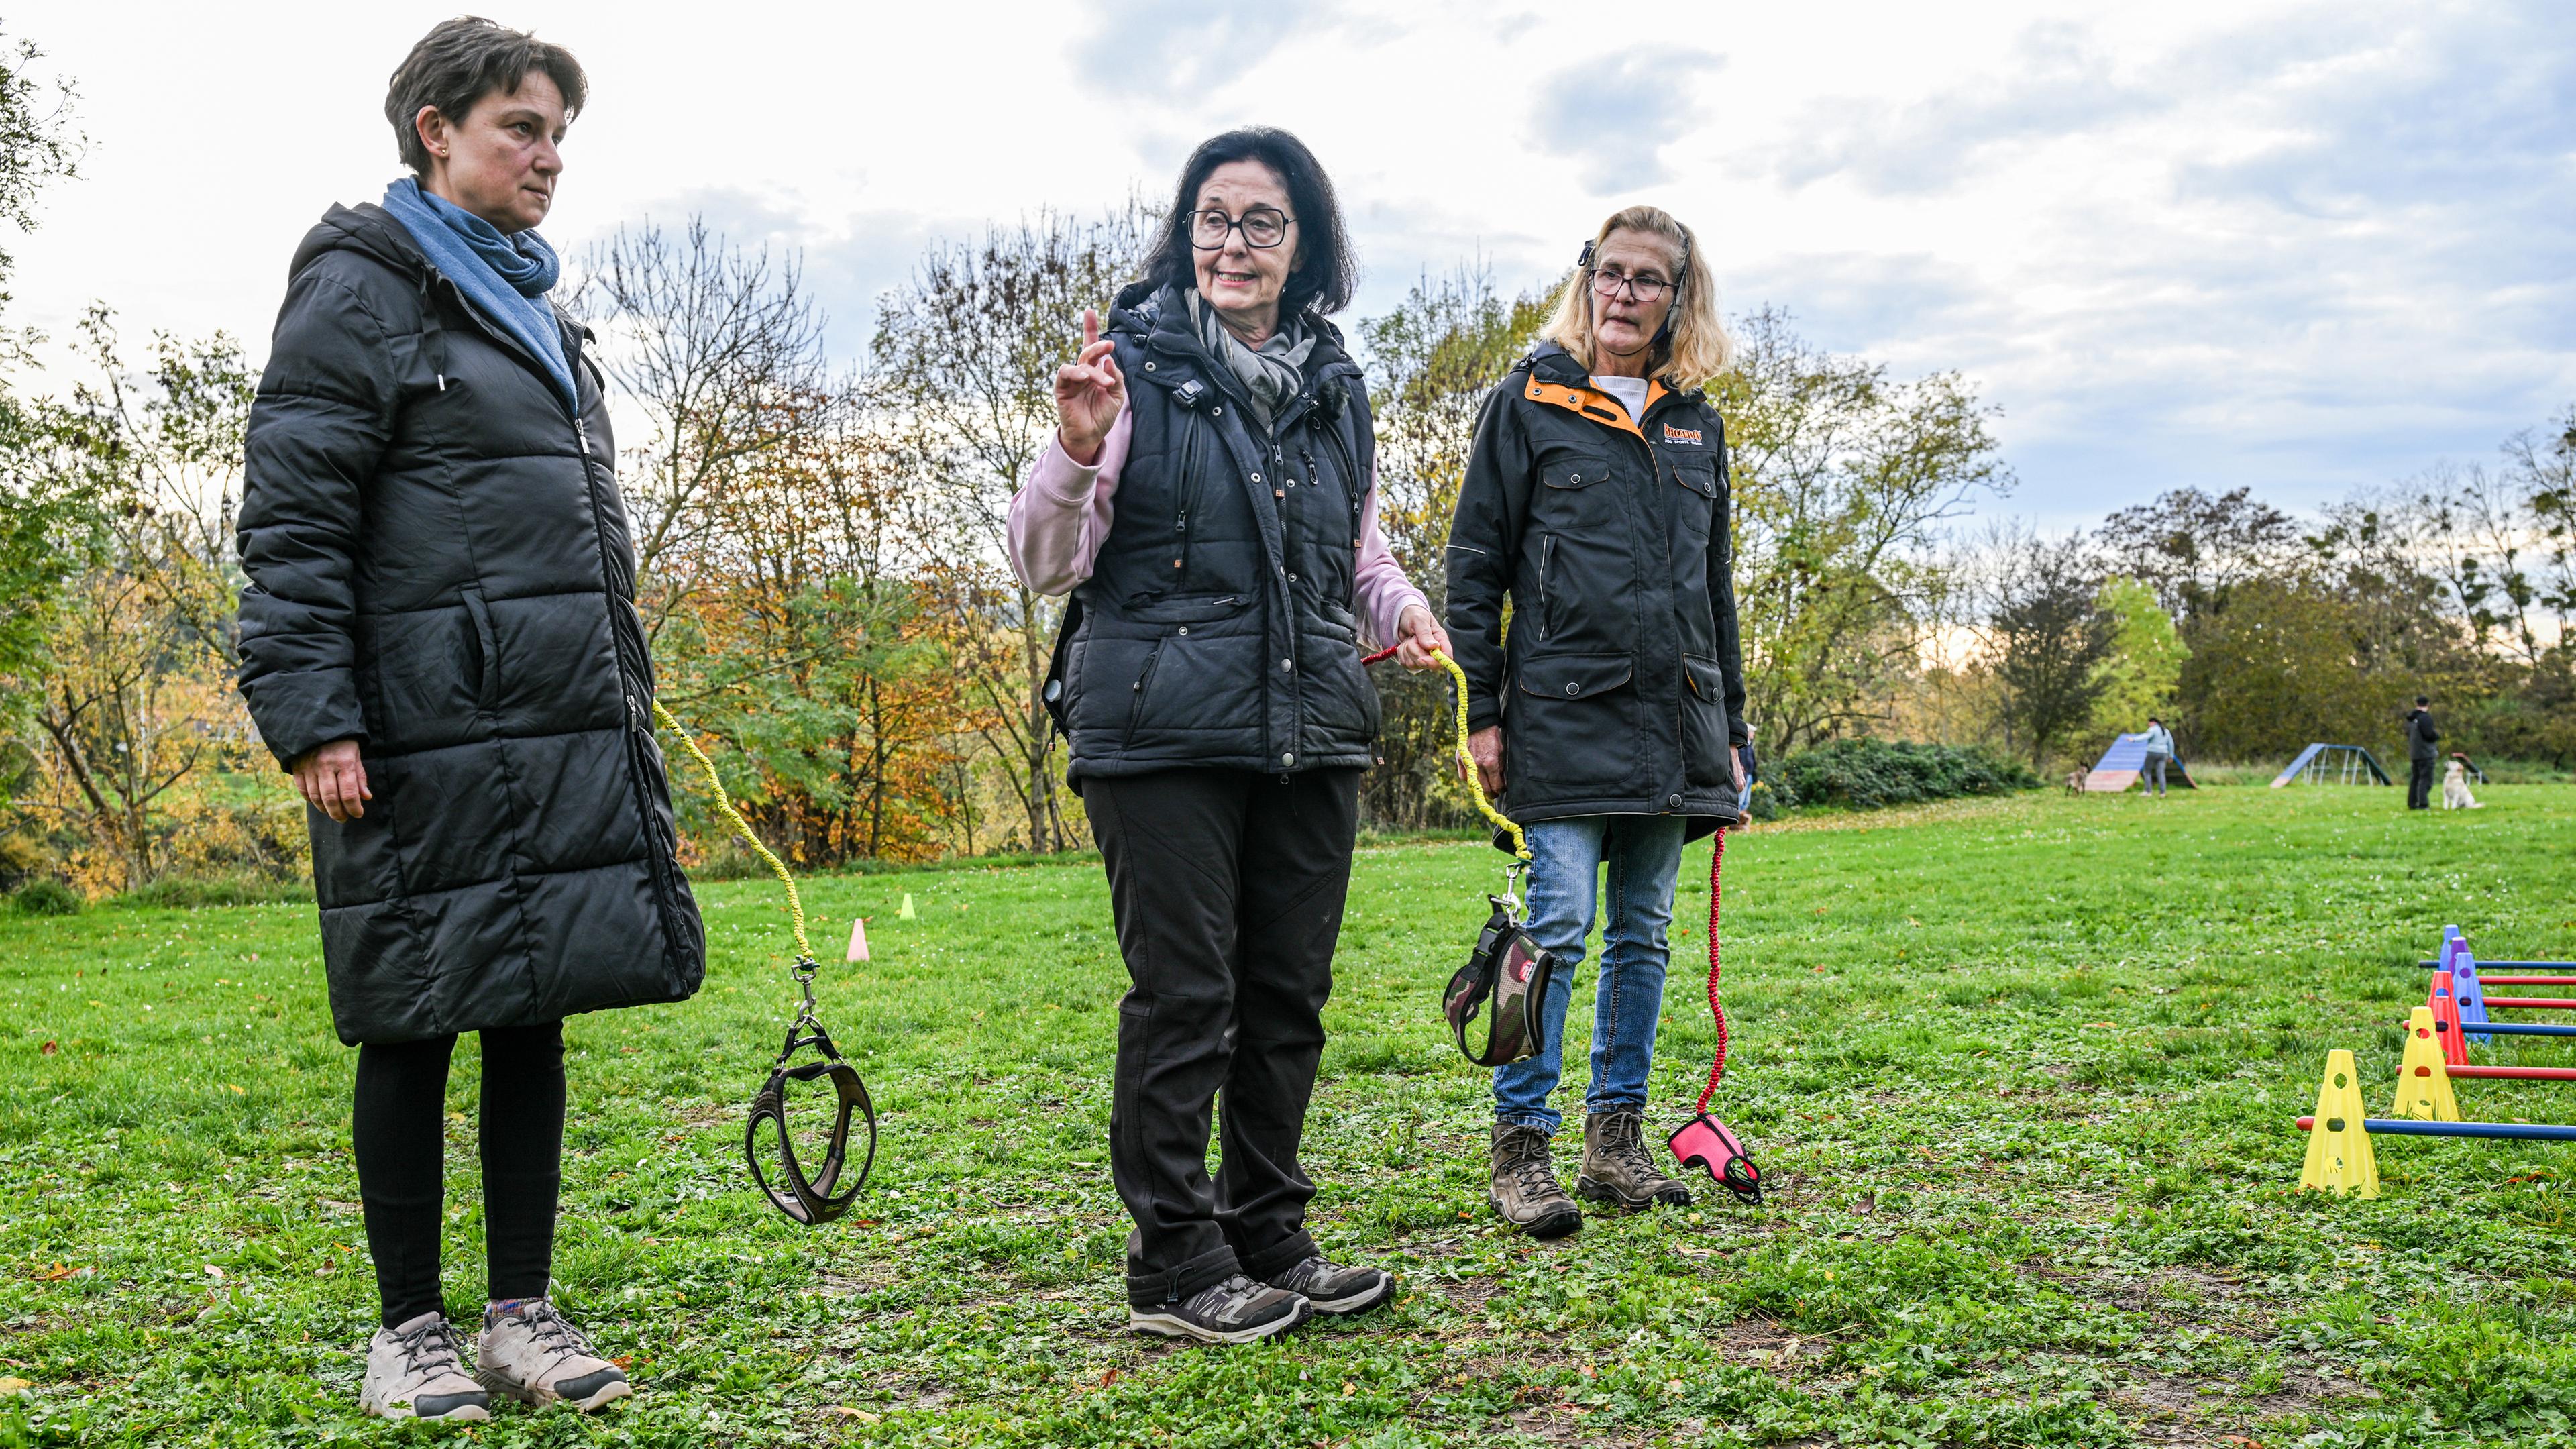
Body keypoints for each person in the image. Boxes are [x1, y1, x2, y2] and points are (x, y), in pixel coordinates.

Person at [235, 17, 702, 1419]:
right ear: (437, 130)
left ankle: (520, 1317)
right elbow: (294, 522)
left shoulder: (539, 313)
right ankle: (405, 1333)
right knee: (413, 1017)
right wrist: (316, 715)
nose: (549, 156)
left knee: (531, 1008)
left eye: (560, 132)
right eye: (522, 127)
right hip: (412, 731)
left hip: (550, 721)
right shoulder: (361, 292)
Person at [1009, 127, 1449, 1344]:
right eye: (1213, 217)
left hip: (1310, 725)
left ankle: (1269, 1231)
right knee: (1185, 997)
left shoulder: (1334, 386)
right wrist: (1075, 447)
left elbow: (1355, 552)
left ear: (1306, 246)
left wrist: (1403, 609)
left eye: (1262, 222)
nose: (1232, 243)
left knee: (1287, 996)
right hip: (1158, 731)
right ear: (1183, 231)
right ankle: (1175, 1265)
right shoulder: (1127, 369)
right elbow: (1048, 563)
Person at [1444, 206, 1747, 1238]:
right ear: (1587, 281)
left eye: (1648, 280)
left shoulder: (1696, 424)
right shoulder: (1525, 403)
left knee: (1645, 936)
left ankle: (1616, 1141)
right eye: (1610, 274)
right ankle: (1520, 1148)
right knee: (1559, 923)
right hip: (1558, 718)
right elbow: (1475, 566)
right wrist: (1484, 710)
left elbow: (1716, 590)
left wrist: (1736, 732)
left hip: (1678, 723)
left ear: (1677, 297)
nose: (1625, 294)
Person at [2404, 696, 2441, 810]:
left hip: (2415, 753)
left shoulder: (2411, 719)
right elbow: (2429, 734)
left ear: (2416, 704)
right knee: (2426, 780)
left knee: (2416, 779)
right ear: (2428, 705)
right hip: (2426, 753)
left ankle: (2412, 803)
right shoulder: (2425, 718)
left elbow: (2408, 734)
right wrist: (2437, 735)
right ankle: (2423, 804)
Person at [2139, 717, 2175, 797]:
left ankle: (2148, 791)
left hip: (2152, 752)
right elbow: (2171, 744)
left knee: (2147, 771)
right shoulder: (2166, 731)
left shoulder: (2153, 729)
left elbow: (2145, 736)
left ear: (2153, 723)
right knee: (2161, 773)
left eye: (2149, 723)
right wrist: (2171, 755)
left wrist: (2134, 739)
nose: (2149, 725)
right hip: (2164, 754)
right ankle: (2163, 793)